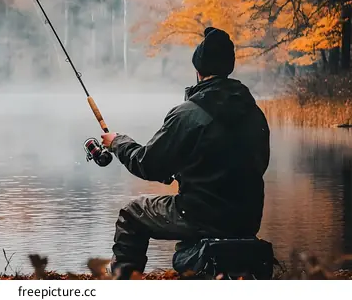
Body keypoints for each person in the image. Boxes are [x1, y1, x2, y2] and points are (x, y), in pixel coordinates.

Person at [101, 26, 270, 279]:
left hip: (200, 214)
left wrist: (118, 143)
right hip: (247, 217)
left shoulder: (189, 113)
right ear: (229, 67)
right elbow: (257, 164)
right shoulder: (254, 113)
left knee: (132, 214)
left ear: (198, 69)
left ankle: (123, 283)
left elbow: (148, 164)